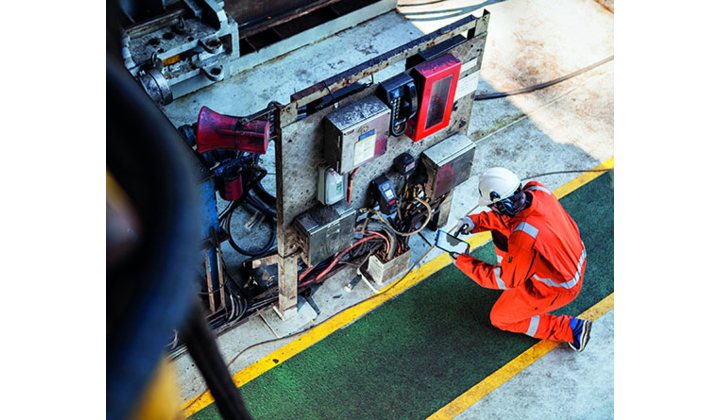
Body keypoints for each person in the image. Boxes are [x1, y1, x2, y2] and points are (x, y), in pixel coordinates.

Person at [451, 167, 591, 351]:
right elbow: (507, 219)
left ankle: (571, 329)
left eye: (492, 206)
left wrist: (460, 259)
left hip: (556, 288)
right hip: (570, 260)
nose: (491, 209)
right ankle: (517, 274)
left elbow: (503, 279)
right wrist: (474, 222)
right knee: (500, 231)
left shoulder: (523, 239)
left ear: (505, 205)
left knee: (500, 318)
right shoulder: (537, 191)